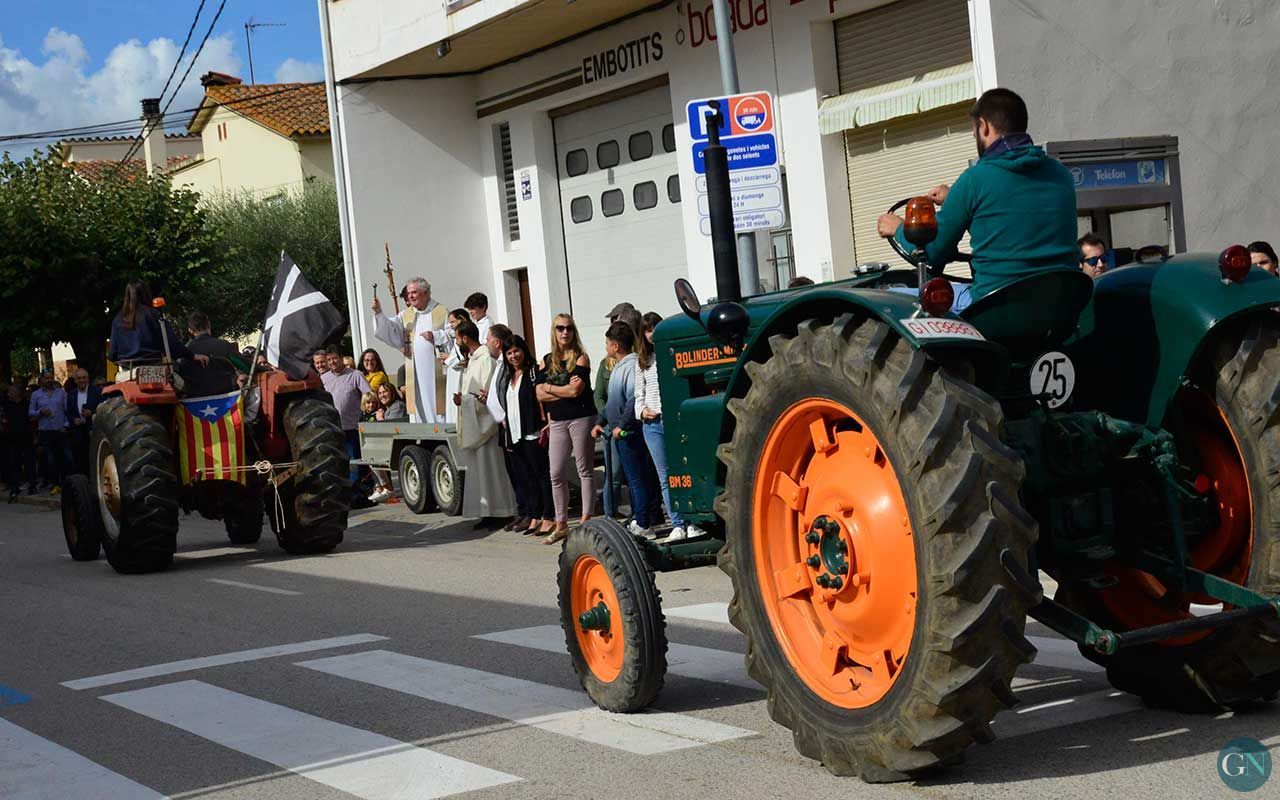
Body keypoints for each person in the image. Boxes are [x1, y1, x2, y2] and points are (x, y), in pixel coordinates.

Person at [876, 88, 1078, 311]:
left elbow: (933, 252)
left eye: (974, 133)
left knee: (888, 296)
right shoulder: (1061, 175)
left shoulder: (974, 180)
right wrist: (954, 198)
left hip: (997, 308)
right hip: (1059, 307)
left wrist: (898, 228)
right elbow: (1012, 215)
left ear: (984, 126)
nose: (975, 138)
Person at [635, 313, 705, 541]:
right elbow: (638, 394)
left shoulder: (672, 354)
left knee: (685, 472)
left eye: (655, 327)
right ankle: (677, 523)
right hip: (652, 424)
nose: (651, 333)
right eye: (647, 330)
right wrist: (642, 411)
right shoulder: (643, 361)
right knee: (665, 477)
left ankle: (693, 522)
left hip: (674, 420)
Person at [592, 321, 659, 536]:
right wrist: (600, 422)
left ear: (615, 346)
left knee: (637, 479)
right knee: (633, 479)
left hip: (629, 433)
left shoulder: (631, 366)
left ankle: (643, 522)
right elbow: (612, 402)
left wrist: (621, 426)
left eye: (607, 343)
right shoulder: (618, 367)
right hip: (619, 433)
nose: (605, 347)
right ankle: (641, 516)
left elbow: (632, 400)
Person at [536, 313, 596, 544]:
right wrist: (561, 390)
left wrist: (550, 388)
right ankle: (561, 523)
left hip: (581, 417)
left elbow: (575, 392)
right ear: (554, 331)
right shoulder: (546, 360)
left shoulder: (581, 358)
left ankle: (586, 520)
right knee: (556, 472)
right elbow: (538, 394)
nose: (565, 332)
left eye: (569, 328)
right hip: (557, 420)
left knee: (584, 469)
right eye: (560, 328)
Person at [454, 320, 517, 521]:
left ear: (465, 338)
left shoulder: (485, 360)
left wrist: (464, 400)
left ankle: (502, 511)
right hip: (476, 426)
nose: (456, 342)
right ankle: (487, 513)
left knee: (492, 471)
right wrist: (463, 400)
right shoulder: (473, 360)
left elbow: (489, 395)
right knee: (480, 472)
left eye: (457, 338)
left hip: (486, 428)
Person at [370, 276, 449, 423]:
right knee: (419, 408)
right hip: (414, 372)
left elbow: (453, 335)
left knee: (439, 409)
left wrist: (436, 336)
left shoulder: (441, 312)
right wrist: (379, 312)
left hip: (436, 372)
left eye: (414, 292)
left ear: (425, 292)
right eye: (408, 293)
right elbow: (390, 330)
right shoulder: (406, 315)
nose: (410, 296)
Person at [498, 335, 555, 536]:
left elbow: (543, 400)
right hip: (516, 434)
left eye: (516, 351)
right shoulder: (508, 377)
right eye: (509, 353)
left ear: (524, 350)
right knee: (527, 476)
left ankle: (548, 515)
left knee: (542, 475)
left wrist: (547, 423)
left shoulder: (533, 372)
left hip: (533, 432)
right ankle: (534, 515)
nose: (513, 356)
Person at [322, 347, 371, 503]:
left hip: (352, 428)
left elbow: (368, 395)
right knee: (338, 464)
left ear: (341, 358)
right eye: (329, 360)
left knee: (354, 462)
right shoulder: (323, 378)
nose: (332, 362)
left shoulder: (355, 375)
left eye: (334, 358)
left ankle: (357, 494)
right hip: (332, 429)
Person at [108, 282, 199, 365]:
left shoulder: (118, 319)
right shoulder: (153, 315)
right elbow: (171, 343)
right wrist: (192, 356)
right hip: (154, 367)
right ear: (146, 294)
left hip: (126, 370)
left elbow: (112, 354)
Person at [28, 370, 72, 494]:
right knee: (51, 460)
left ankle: (66, 482)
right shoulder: (36, 395)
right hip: (46, 432)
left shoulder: (61, 393)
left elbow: (67, 410)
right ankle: (56, 484)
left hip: (60, 430)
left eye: (51, 377)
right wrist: (40, 412)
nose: (49, 380)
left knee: (67, 458)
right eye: (46, 378)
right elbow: (30, 413)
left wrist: (66, 425)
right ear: (41, 380)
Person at [183, 311, 242, 396]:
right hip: (228, 397)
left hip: (194, 399)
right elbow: (244, 365)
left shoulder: (184, 352)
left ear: (190, 330)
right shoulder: (224, 345)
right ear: (209, 325)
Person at [65, 368, 102, 476]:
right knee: (80, 459)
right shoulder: (71, 394)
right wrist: (73, 420)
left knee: (94, 457)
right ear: (75, 380)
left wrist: (92, 412)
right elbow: (68, 412)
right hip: (78, 432)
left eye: (84, 378)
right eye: (79, 378)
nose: (82, 380)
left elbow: (103, 407)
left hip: (93, 430)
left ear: (88, 379)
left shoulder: (97, 391)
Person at [3, 384, 37, 501]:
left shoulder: (27, 405)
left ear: (17, 392)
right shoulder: (7, 405)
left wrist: (34, 435)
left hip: (26, 438)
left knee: (29, 463)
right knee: (14, 463)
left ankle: (32, 485)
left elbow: (32, 421)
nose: (8, 394)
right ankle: (14, 487)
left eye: (11, 392)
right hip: (12, 439)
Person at [439, 308, 469, 426]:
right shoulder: (456, 336)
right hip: (453, 375)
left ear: (461, 319)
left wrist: (448, 358)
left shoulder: (465, 335)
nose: (450, 325)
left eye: (452, 322)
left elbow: (463, 358)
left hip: (460, 376)